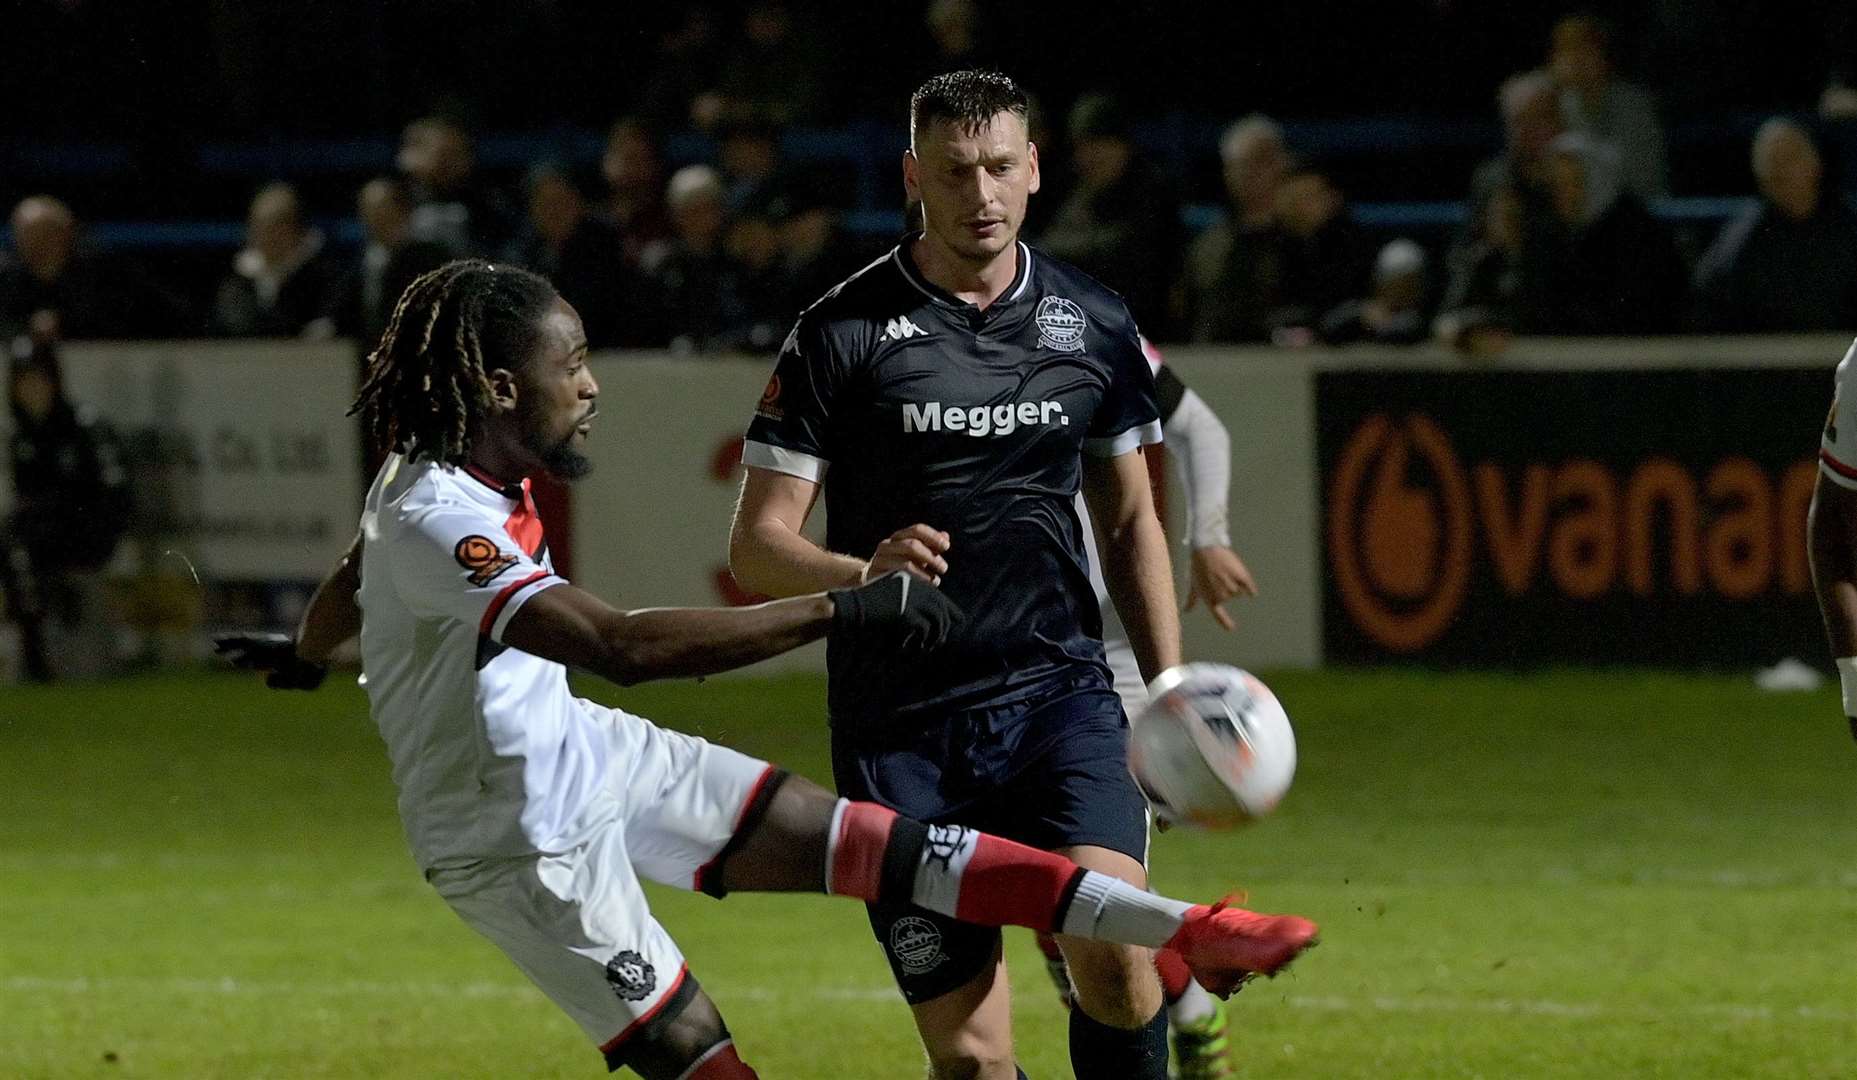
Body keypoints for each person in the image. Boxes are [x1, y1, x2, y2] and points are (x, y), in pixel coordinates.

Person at [214, 259, 1317, 1078]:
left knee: (895, 852)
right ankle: (1184, 935)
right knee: (705, 1063)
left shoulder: (426, 468)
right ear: (502, 389)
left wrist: (308, 660)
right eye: (573, 365)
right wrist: (841, 607)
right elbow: (619, 648)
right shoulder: (438, 516)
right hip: (514, 841)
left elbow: (350, 577)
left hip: (590, 755)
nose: (592, 386)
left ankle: (1191, 932)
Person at [728, 70, 1267, 1080]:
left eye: (998, 168)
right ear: (910, 177)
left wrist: (1166, 687)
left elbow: (1134, 518)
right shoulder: (839, 335)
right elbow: (756, 547)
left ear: (1033, 169)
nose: (980, 194)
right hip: (902, 733)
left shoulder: (1093, 321)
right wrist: (862, 570)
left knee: (1111, 952)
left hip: (1057, 702)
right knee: (973, 1062)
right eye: (953, 171)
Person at [1032, 335, 1259, 1079]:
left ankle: (1181, 1013)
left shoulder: (1083, 327)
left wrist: (1210, 537)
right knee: (1041, 880)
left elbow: (1201, 425)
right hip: (1005, 655)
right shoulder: (920, 342)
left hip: (1113, 649)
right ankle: (1190, 1004)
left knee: (1073, 880)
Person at [3, 333, 130, 682]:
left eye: (38, 379)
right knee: (14, 539)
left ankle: (44, 643)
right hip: (43, 546)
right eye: (23, 381)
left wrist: (92, 538)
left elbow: (115, 495)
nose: (31, 389)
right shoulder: (22, 439)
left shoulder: (85, 427)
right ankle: (33, 641)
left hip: (83, 540)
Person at [1037, 92, 1182, 336]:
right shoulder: (1079, 196)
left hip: (1145, 335)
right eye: (1082, 147)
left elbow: (1127, 250)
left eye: (1099, 145)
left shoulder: (1152, 191)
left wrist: (1051, 255)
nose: (1088, 157)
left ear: (1122, 146)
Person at [1693, 119, 1857, 333]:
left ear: (1815, 164)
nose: (1779, 172)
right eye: (1770, 163)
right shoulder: (1742, 239)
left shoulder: (1848, 227)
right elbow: (1710, 301)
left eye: (1789, 159)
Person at [1184, 115, 1290, 344]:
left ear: (1282, 163)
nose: (1250, 173)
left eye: (1260, 161)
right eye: (1239, 164)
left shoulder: (1300, 236)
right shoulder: (1208, 246)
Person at [1547, 13, 1668, 200]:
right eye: (1566, 50)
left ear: (1605, 56)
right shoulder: (1555, 103)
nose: (1574, 59)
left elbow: (1640, 178)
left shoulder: (1633, 103)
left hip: (1634, 210)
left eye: (1584, 49)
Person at [325, 177, 452, 350]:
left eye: (380, 210)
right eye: (366, 210)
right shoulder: (366, 260)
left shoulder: (429, 256)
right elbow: (344, 310)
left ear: (402, 210)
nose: (373, 218)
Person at [211, 182, 342, 338]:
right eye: (258, 226)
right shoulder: (238, 280)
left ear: (294, 228)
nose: (264, 236)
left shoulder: (325, 277)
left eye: (275, 226)